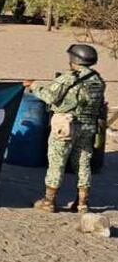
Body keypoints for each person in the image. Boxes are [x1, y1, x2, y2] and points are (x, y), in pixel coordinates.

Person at [25, 44, 106, 213]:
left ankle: (49, 201)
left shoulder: (68, 78)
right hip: (88, 127)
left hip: (66, 125)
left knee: (57, 161)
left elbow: (50, 97)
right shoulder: (97, 80)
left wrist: (33, 86)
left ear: (75, 59)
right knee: (83, 163)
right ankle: (82, 203)